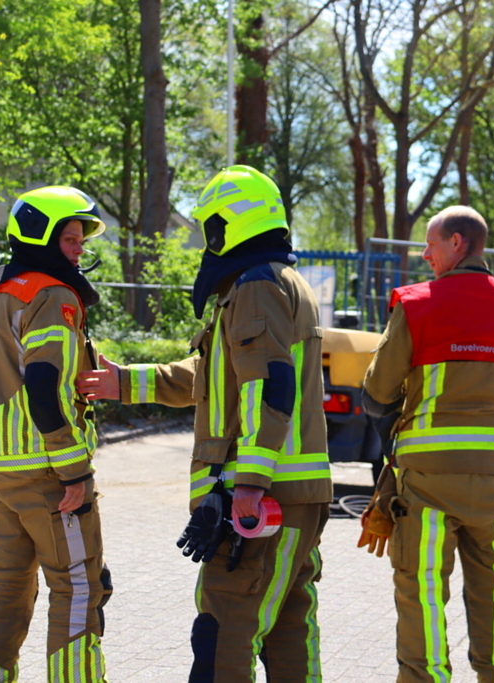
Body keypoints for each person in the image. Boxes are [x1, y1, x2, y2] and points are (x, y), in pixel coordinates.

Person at [76, 165, 331, 682]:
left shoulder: (256, 287)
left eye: (209, 226)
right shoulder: (280, 282)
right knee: (288, 633)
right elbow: (217, 377)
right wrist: (125, 382)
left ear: (228, 225)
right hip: (294, 497)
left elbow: (266, 389)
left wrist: (249, 485)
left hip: (260, 502)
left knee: (224, 634)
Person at [360, 205, 494, 683]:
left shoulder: (416, 305)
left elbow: (378, 393)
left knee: (422, 595)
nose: (425, 255)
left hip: (426, 487)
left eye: (430, 244)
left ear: (457, 243)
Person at [0, 186, 112, 682]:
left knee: (3, 584)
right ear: (41, 236)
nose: (79, 249)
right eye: (70, 239)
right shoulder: (52, 295)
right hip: (47, 474)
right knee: (77, 588)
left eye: (81, 240)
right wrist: (75, 472)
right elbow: (45, 388)